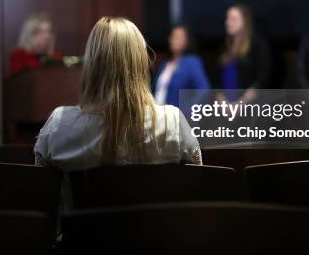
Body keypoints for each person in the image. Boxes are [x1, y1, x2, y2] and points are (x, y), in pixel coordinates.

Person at [34, 17, 202, 172]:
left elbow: (44, 193)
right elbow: (196, 181)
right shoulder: (172, 123)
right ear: (140, 62)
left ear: (91, 63)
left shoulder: (59, 125)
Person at [218, 4, 271, 103]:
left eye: (233, 19)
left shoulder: (257, 44)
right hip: (225, 107)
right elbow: (217, 80)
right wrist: (223, 103)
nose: (227, 22)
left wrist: (240, 104)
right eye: (227, 18)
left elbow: (262, 80)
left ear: (244, 21)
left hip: (250, 106)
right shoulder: (225, 46)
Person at [153, 25, 210, 107]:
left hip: (176, 116)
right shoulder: (164, 65)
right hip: (158, 114)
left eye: (179, 37)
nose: (174, 40)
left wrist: (185, 111)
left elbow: (204, 91)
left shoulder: (192, 63)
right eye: (173, 36)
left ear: (186, 41)